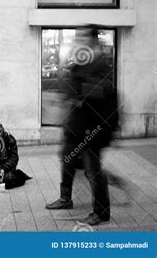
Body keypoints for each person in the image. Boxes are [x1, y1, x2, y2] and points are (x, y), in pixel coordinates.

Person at [46, 26, 117, 226]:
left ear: (93, 39)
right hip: (76, 124)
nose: (79, 39)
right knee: (67, 158)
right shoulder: (81, 59)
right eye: (78, 36)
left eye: (84, 35)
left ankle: (101, 213)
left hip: (93, 126)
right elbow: (71, 86)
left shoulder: (100, 61)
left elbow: (102, 91)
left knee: (93, 170)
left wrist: (78, 90)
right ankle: (65, 198)